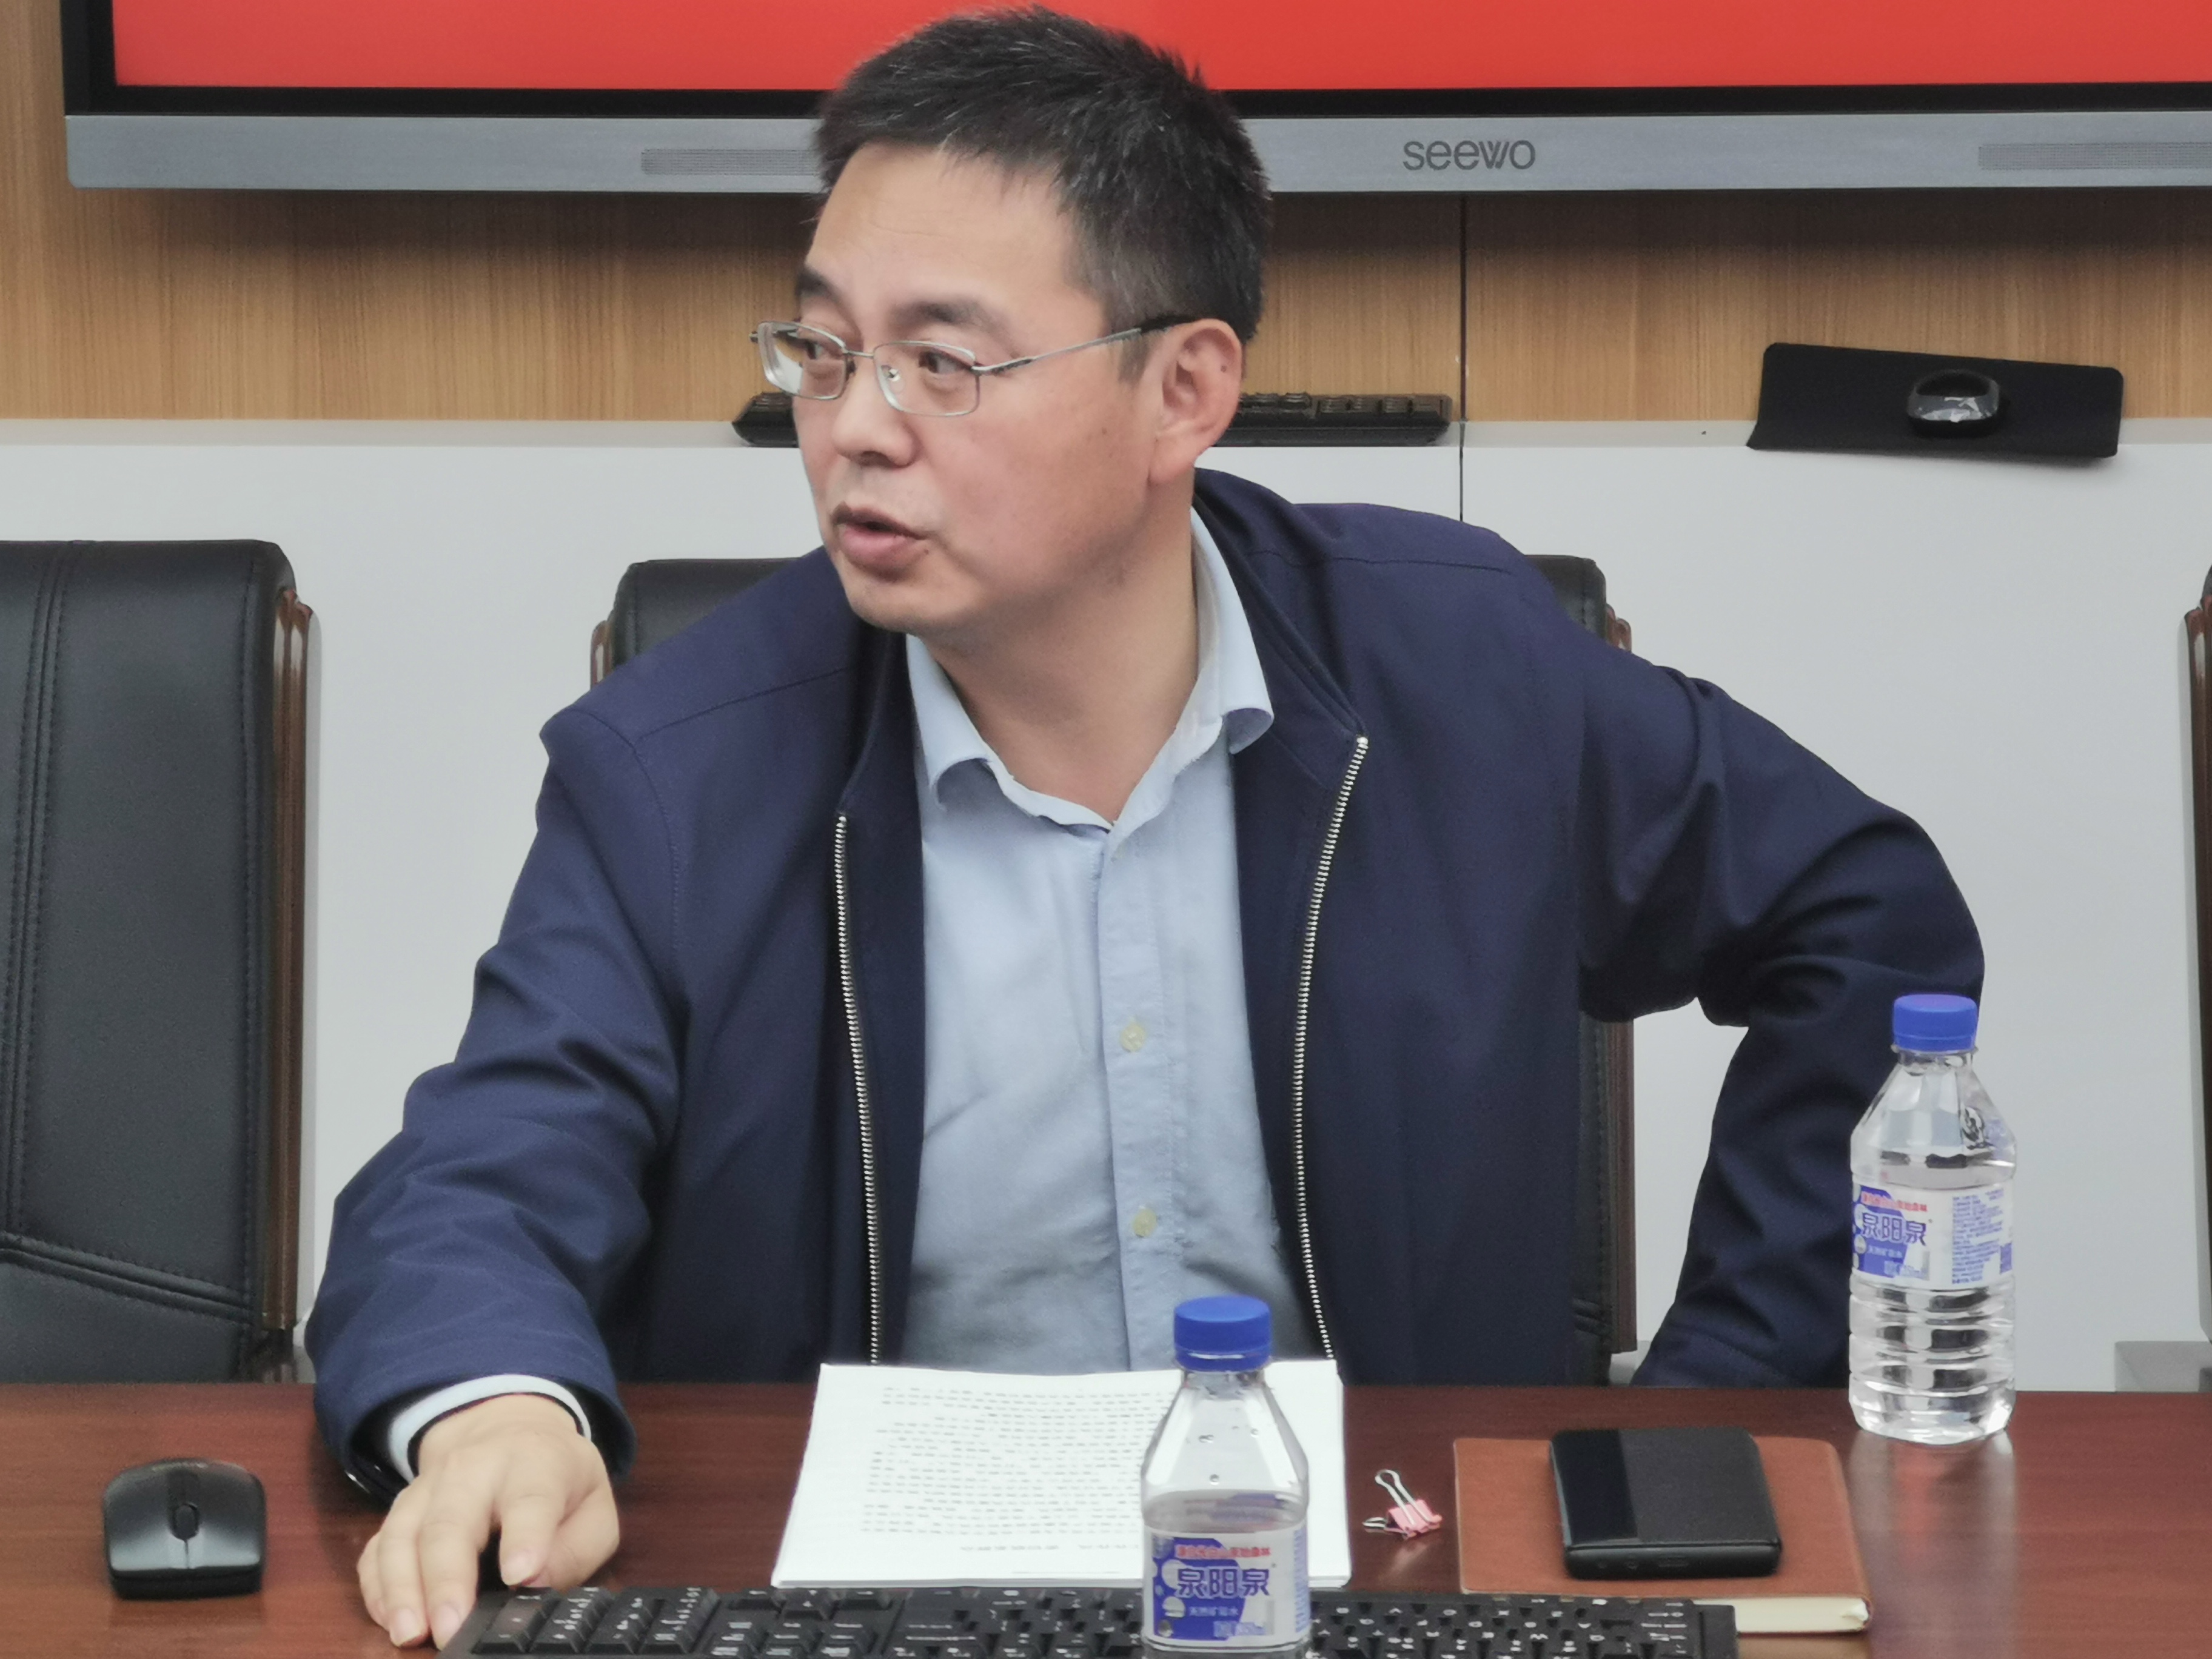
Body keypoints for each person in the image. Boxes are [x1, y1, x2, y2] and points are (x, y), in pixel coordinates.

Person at [309, 8, 1981, 1649]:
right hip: (868, 1612)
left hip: (1386, 1589)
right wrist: (499, 1407)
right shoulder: (681, 766)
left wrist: (1709, 1403)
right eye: (821, 350)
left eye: (943, 362)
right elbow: (481, 1166)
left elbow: (1862, 916)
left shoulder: (1462, 672)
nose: (855, 426)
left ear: (1185, 391)